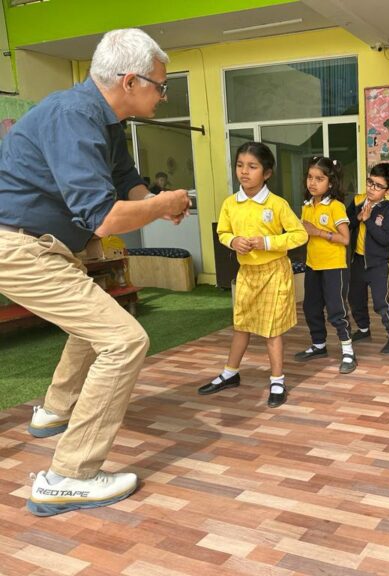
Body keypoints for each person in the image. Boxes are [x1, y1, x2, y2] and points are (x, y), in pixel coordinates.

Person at [0, 28, 191, 516]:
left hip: (46, 245)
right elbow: (103, 217)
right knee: (124, 341)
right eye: (160, 86)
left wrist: (154, 205)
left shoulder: (108, 122)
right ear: (130, 81)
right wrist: (164, 202)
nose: (163, 95)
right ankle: (68, 476)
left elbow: (128, 187)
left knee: (95, 324)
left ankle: (54, 411)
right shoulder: (73, 115)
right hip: (18, 246)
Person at [198, 142, 307, 405]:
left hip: (274, 273)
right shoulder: (230, 204)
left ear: (267, 173)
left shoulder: (277, 204)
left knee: (272, 331)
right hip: (247, 272)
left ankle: (278, 381)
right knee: (241, 325)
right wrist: (233, 241)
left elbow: (300, 235)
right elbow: (223, 232)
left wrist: (268, 242)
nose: (244, 172)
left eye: (252, 166)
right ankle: (230, 373)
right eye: (240, 165)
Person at [294, 156, 356, 373]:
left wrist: (317, 232)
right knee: (310, 307)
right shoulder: (307, 206)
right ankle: (319, 344)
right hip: (313, 265)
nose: (312, 183)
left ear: (330, 183)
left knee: (336, 310)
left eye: (319, 179)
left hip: (334, 267)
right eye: (310, 177)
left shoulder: (336, 207)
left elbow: (345, 239)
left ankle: (348, 351)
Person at [347, 162, 389, 354]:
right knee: (355, 298)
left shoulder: (388, 210)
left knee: (381, 301)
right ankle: (363, 329)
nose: (372, 188)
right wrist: (359, 217)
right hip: (358, 261)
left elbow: (384, 238)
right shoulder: (357, 202)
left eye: (378, 186)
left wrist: (369, 220)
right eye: (370, 182)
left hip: (378, 264)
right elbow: (346, 225)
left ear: (387, 190)